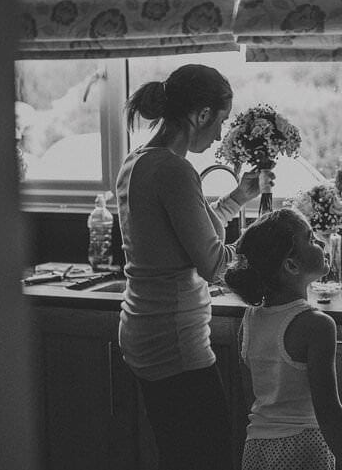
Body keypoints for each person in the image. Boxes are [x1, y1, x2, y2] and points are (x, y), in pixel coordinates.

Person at [116, 64, 266, 470]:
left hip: (145, 329)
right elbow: (214, 264)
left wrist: (236, 199)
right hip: (173, 338)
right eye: (219, 122)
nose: (219, 134)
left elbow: (180, 232)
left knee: (179, 452)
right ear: (200, 115)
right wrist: (260, 249)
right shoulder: (174, 170)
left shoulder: (139, 160)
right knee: (207, 455)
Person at [225, 208, 342, 470]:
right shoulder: (317, 325)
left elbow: (250, 396)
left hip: (256, 447)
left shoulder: (250, 319)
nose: (320, 243)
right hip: (304, 446)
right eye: (311, 239)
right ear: (291, 265)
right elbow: (328, 407)